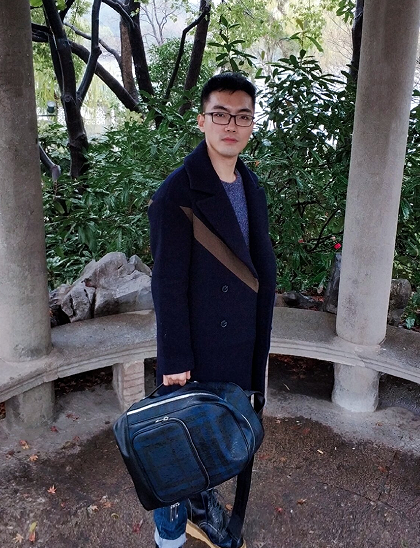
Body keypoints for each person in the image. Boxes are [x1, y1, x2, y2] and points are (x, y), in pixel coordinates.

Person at [148, 72, 277, 548]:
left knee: (212, 437)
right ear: (202, 121)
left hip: (239, 337)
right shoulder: (176, 194)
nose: (231, 125)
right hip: (198, 344)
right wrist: (174, 358)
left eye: (242, 117)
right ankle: (169, 535)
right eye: (220, 114)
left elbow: (257, 266)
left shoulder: (250, 185)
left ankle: (202, 507)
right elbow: (167, 283)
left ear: (251, 125)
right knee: (176, 443)